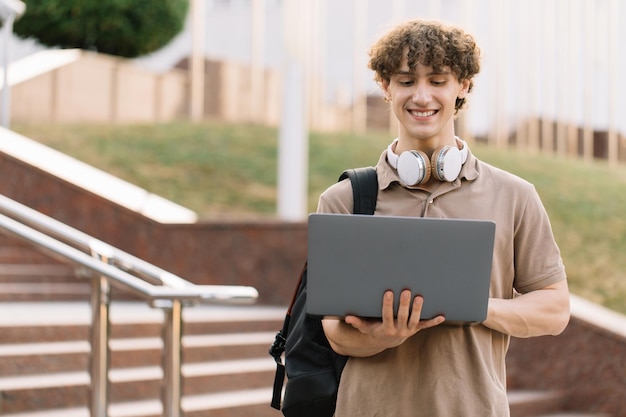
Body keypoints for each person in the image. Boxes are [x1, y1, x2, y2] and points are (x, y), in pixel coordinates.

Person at [317, 19, 570, 416]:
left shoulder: (515, 195)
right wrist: (383, 335)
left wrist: (474, 306)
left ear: (463, 86)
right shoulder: (344, 199)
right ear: (385, 86)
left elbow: (555, 309)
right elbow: (336, 333)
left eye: (437, 80)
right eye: (405, 81)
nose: (422, 96)